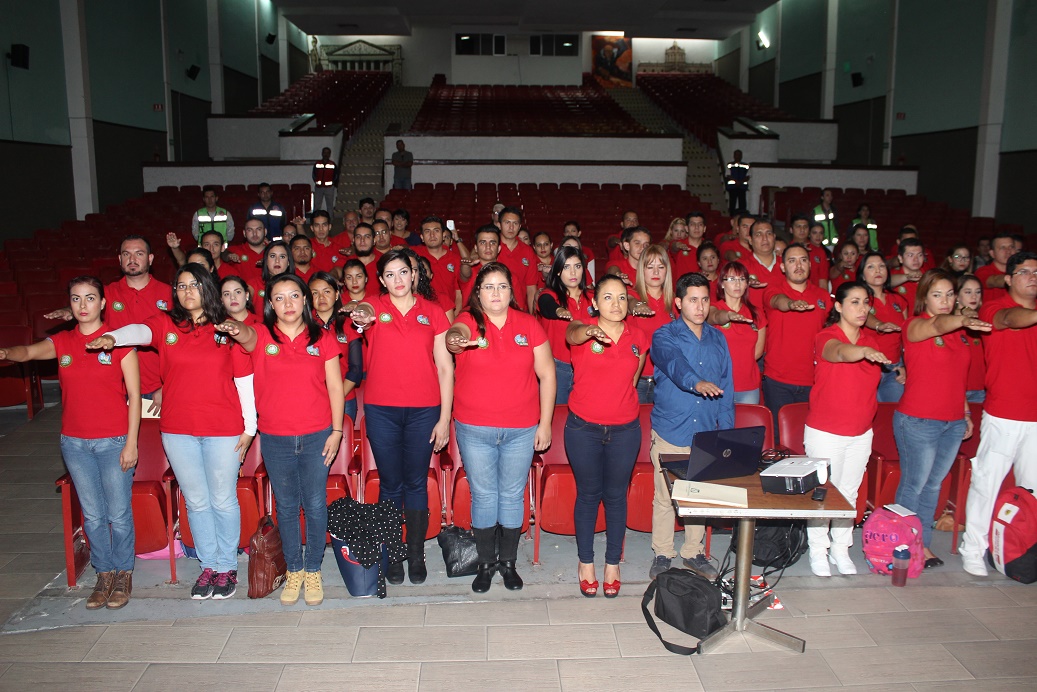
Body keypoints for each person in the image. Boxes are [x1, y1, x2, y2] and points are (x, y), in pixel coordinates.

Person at [89, 264, 256, 600]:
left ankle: (227, 568)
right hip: (178, 431)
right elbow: (139, 331)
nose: (187, 291)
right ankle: (208, 565)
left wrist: (250, 427)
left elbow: (245, 380)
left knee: (222, 499)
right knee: (195, 501)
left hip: (223, 429)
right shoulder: (166, 324)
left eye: (194, 285)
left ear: (207, 288)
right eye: (181, 286)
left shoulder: (226, 328)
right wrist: (113, 338)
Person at [1, 277, 141, 610]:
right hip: (75, 444)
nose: (83, 305)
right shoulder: (62, 341)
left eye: (90, 298)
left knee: (118, 513)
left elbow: (135, 397)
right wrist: (6, 352)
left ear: (102, 303)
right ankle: (103, 574)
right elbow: (27, 352)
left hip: (113, 441)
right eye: (76, 299)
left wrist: (131, 444)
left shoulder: (119, 342)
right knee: (92, 515)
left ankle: (123, 573)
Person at [215, 272, 343, 606]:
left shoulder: (322, 337)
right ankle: (294, 569)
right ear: (270, 304)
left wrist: (337, 431)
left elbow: (335, 387)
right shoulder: (261, 334)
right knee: (285, 506)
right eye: (280, 298)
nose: (288, 303)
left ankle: (313, 569)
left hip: (317, 435)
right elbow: (245, 335)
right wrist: (235, 328)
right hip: (275, 438)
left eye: (294, 296)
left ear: (305, 300)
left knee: (314, 503)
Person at [445, 262, 555, 592]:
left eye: (502, 286)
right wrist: (456, 338)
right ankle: (485, 564)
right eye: (489, 287)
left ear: (511, 292)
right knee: (483, 496)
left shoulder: (529, 324)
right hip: (474, 428)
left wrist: (545, 423)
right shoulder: (468, 321)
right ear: (478, 293)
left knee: (510, 496)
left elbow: (548, 374)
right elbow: (455, 337)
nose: (496, 293)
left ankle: (508, 564)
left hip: (521, 429)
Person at [349, 248, 454, 585]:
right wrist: (362, 314)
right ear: (381, 280)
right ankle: (393, 553)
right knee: (390, 484)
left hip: (425, 411)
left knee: (416, 482)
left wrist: (444, 418)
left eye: (403, 272)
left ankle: (416, 553)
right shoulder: (374, 306)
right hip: (382, 411)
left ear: (414, 274)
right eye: (390, 274)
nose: (398, 280)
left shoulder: (433, 312)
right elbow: (363, 313)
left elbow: (445, 368)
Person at [895, 269, 990, 568]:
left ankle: (922, 543)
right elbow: (937, 323)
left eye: (950, 294)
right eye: (937, 295)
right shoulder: (915, 325)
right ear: (925, 298)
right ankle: (903, 544)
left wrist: (965, 412)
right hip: (919, 419)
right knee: (915, 484)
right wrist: (963, 318)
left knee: (933, 486)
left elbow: (956, 377)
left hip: (953, 421)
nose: (945, 301)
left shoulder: (959, 334)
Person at [564, 275, 648, 597]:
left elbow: (633, 378)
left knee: (615, 496)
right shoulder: (581, 330)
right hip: (583, 429)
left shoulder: (638, 336)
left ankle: (613, 563)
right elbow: (572, 333)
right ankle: (585, 562)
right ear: (595, 303)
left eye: (622, 297)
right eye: (608, 297)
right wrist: (589, 332)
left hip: (625, 429)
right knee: (588, 495)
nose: (616, 303)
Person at [648, 272, 733, 580]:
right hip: (671, 429)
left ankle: (693, 552)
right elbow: (674, 364)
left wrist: (726, 435)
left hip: (705, 433)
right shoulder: (664, 336)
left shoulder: (718, 339)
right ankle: (662, 552)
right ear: (679, 303)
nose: (700, 307)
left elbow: (727, 388)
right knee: (665, 497)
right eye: (693, 300)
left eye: (705, 300)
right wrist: (696, 383)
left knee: (698, 497)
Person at [803, 282, 890, 576]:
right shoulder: (826, 337)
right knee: (823, 493)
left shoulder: (872, 341)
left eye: (866, 302)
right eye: (854, 302)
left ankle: (841, 548)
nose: (862, 308)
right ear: (838, 306)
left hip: (860, 432)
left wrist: (868, 348)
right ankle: (818, 550)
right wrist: (862, 350)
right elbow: (839, 352)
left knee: (849, 494)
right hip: (826, 432)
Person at [959, 251, 1037, 576]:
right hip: (1003, 414)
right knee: (986, 484)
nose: (1032, 277)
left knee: (1032, 491)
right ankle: (973, 549)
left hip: (1035, 419)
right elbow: (1010, 319)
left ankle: (1023, 550)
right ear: (1008, 278)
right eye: (1025, 272)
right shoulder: (993, 307)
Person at [45, 236, 171, 414]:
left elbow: (181, 345)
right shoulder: (107, 293)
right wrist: (69, 310)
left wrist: (167, 387)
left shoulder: (169, 294)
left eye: (139, 254)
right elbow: (85, 305)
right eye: (126, 254)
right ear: (119, 259)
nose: (132, 259)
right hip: (115, 388)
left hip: (157, 388)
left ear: (150, 258)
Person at [761, 244, 831, 439]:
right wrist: (791, 304)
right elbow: (778, 301)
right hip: (778, 380)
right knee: (779, 439)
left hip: (813, 380)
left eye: (803, 260)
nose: (798, 265)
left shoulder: (823, 296)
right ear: (783, 267)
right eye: (792, 261)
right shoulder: (773, 291)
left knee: (809, 438)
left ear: (810, 264)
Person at [537, 246, 593, 405]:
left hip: (586, 367)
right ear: (558, 271)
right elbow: (546, 305)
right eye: (566, 267)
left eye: (577, 266)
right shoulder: (549, 295)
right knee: (556, 413)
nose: (573, 272)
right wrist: (558, 310)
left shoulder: (593, 298)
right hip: (557, 368)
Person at [309, 272, 363, 423]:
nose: (321, 297)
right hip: (312, 400)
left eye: (327, 291)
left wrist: (336, 397)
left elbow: (356, 370)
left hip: (345, 398)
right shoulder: (303, 326)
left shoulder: (349, 324)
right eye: (315, 293)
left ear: (337, 294)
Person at [712, 261, 766, 404]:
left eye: (742, 279)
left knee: (749, 419)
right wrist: (728, 316)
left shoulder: (756, 313)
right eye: (732, 279)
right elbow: (713, 317)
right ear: (722, 284)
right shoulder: (714, 308)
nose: (737, 284)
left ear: (747, 284)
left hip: (748, 384)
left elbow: (758, 352)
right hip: (718, 384)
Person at [857, 251, 907, 402]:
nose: (878, 270)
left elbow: (906, 339)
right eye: (871, 267)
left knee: (891, 412)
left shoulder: (898, 300)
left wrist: (905, 366)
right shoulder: (858, 299)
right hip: (866, 367)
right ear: (863, 275)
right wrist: (879, 325)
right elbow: (865, 316)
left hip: (894, 369)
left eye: (881, 266)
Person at [630, 245, 677, 404]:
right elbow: (628, 302)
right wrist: (636, 305)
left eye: (661, 267)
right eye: (650, 267)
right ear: (641, 270)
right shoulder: (631, 296)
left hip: (667, 379)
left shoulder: (675, 301)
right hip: (637, 380)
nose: (656, 272)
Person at [416, 216, 462, 318]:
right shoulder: (415, 256)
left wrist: (455, 318)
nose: (432, 235)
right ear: (422, 237)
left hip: (448, 314)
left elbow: (459, 294)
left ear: (443, 235)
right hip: (421, 315)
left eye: (436, 231)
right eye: (427, 231)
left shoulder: (455, 259)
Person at [495, 207, 539, 312]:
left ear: (519, 226)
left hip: (519, 310)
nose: (511, 227)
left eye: (515, 223)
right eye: (507, 222)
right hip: (494, 308)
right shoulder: (491, 247)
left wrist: (532, 316)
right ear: (499, 225)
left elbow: (531, 288)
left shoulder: (527, 251)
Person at [956, 274, 986, 403]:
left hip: (979, 388)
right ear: (957, 296)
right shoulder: (948, 319)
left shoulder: (984, 319)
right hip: (957, 388)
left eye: (977, 292)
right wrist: (964, 310)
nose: (974, 297)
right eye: (968, 292)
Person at [974, 233, 1015, 302]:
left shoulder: (1021, 271)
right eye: (1003, 248)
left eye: (1011, 247)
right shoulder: (983, 271)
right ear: (992, 253)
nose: (1008, 251)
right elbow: (995, 281)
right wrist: (1019, 279)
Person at [308, 210, 347, 277]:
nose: (321, 229)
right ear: (312, 228)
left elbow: (340, 270)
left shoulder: (339, 249)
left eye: (324, 225)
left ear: (329, 227)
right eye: (317, 225)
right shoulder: (307, 247)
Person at [311, 147, 338, 214]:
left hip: (329, 188)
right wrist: (317, 182)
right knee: (317, 205)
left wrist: (333, 183)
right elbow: (314, 174)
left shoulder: (332, 164)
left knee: (330, 206)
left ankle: (330, 219)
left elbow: (336, 175)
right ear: (322, 153)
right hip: (318, 188)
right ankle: (315, 218)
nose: (326, 154)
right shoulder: (317, 163)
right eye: (324, 152)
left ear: (329, 154)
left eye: (327, 153)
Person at [724, 149, 750, 216]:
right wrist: (736, 181)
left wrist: (740, 182)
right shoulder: (729, 165)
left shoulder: (746, 165)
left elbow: (748, 176)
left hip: (742, 187)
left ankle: (742, 216)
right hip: (732, 187)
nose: (738, 156)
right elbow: (728, 175)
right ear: (734, 156)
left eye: (739, 155)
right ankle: (732, 216)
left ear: (741, 156)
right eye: (736, 155)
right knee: (732, 203)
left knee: (742, 203)